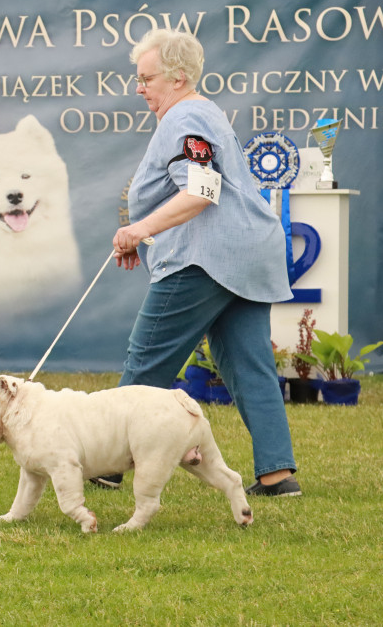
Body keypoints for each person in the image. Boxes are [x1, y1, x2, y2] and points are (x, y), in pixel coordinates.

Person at [94, 28, 300, 496]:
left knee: (147, 362)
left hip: (203, 259)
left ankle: (104, 464)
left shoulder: (183, 116)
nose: (139, 88)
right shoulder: (206, 114)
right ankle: (277, 475)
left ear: (178, 76)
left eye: (146, 78)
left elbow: (202, 190)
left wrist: (139, 229)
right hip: (247, 258)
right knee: (250, 365)